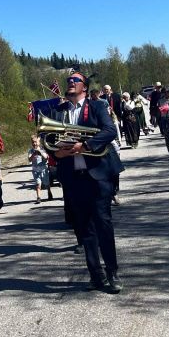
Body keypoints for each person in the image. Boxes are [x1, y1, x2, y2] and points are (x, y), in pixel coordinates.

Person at [51, 72, 124, 294]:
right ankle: (95, 274)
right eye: (69, 81)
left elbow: (110, 131)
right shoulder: (58, 112)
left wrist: (85, 146)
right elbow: (49, 140)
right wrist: (58, 153)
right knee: (85, 230)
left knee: (103, 225)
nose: (70, 83)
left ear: (84, 86)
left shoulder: (97, 106)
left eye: (75, 81)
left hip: (98, 176)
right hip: (74, 179)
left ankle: (112, 272)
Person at [28, 134, 53, 203]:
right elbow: (29, 159)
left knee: (46, 183)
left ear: (39, 142)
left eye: (36, 142)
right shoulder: (31, 151)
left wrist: (40, 152)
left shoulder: (43, 149)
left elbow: (46, 157)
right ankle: (38, 197)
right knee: (38, 184)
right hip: (35, 170)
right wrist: (33, 154)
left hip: (43, 170)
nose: (34, 143)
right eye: (33, 142)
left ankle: (49, 191)